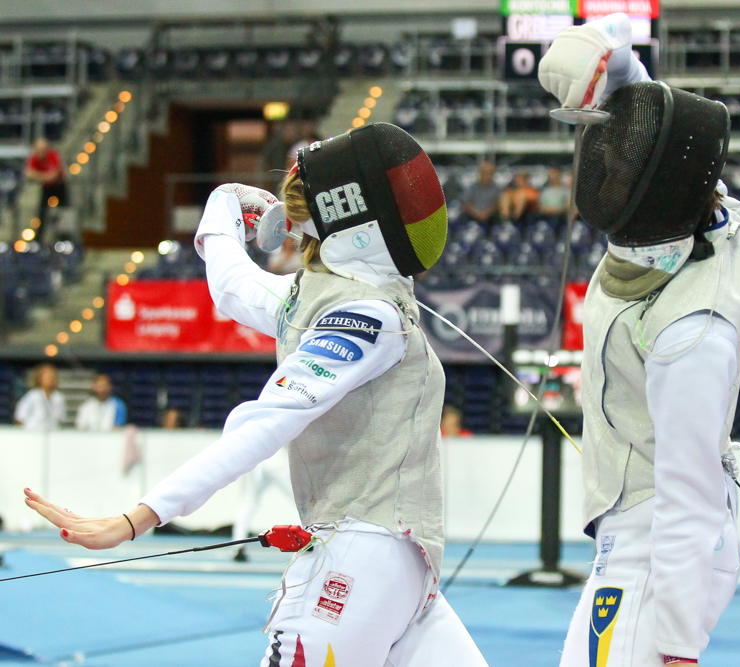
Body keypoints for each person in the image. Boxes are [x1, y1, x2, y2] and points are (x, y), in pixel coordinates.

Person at [24, 123, 487, 667]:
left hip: (402, 576)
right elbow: (264, 421)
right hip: (359, 570)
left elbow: (230, 281)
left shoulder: (341, 304)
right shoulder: (355, 313)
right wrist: (138, 518)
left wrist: (221, 208)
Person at [539, 14, 740, 665]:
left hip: (654, 552)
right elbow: (677, 154)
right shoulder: (728, 226)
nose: (608, 164)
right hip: (632, 538)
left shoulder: (690, 333)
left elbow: (687, 499)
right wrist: (619, 69)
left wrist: (677, 645)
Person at [23, 138, 67, 242]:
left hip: (59, 187)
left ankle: (63, 236)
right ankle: (38, 238)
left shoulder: (52, 156)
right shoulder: (35, 158)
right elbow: (29, 173)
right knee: (42, 212)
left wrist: (39, 176)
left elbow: (54, 175)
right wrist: (44, 177)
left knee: (63, 211)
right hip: (46, 188)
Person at [14, 363, 66, 431]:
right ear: (39, 379)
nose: (50, 379)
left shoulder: (59, 398)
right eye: (47, 377)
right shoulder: (32, 396)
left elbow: (61, 419)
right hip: (33, 432)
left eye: (52, 377)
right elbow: (20, 417)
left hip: (52, 432)